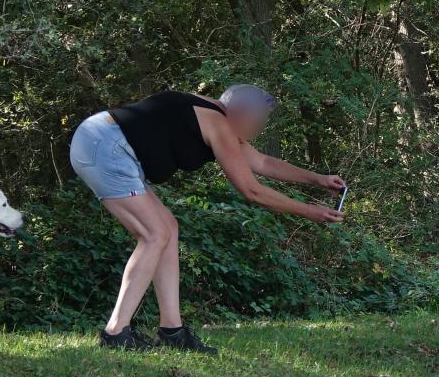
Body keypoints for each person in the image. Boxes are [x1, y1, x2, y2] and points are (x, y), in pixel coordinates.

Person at [67, 85, 345, 353]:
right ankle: (115, 333)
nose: (257, 130)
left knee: (167, 228)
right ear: (241, 114)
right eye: (258, 122)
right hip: (106, 145)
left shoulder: (216, 115)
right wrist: (311, 211)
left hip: (101, 140)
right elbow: (252, 190)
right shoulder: (219, 124)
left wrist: (318, 180)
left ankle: (172, 330)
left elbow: (261, 162)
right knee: (155, 233)